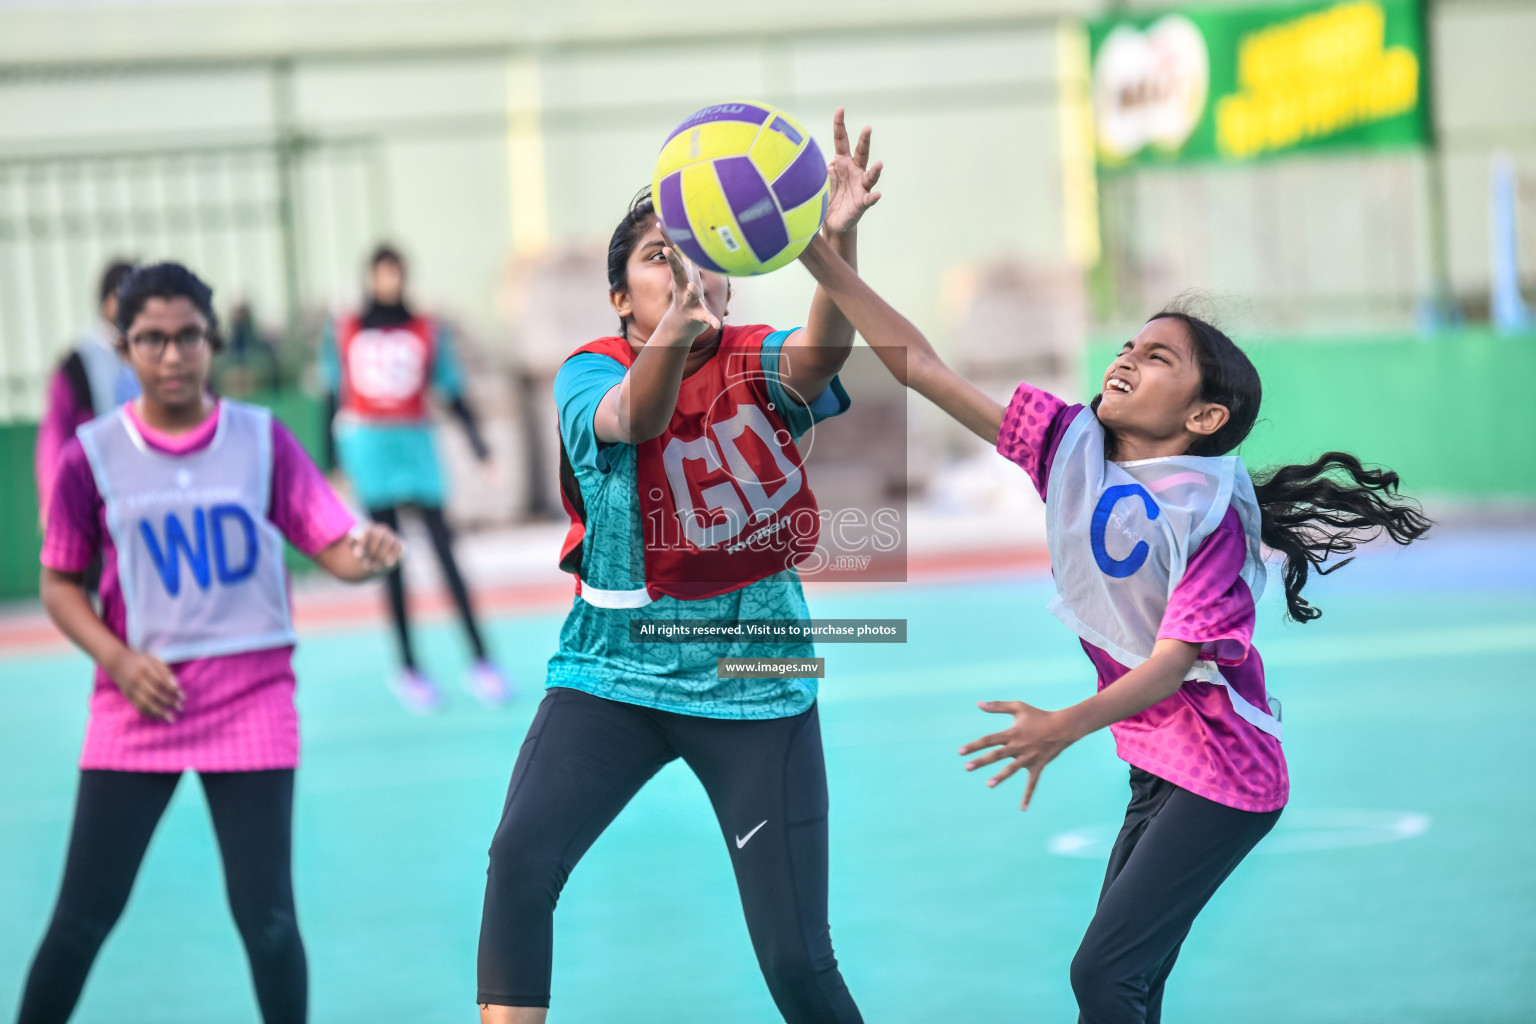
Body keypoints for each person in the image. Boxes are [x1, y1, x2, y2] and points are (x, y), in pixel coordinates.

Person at [793, 237, 1433, 1024]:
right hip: (1158, 760)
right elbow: (922, 367)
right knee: (1129, 983)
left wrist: (1063, 726)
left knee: (1103, 975)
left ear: (1203, 416)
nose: (1126, 359)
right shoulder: (1073, 448)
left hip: (1225, 773)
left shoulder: (1210, 512)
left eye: (1158, 357)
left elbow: (1172, 665)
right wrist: (819, 257)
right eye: (1130, 344)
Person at [476, 108, 883, 1023]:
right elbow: (637, 414)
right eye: (660, 255)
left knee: (796, 961)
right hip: (612, 671)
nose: (685, 267)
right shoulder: (589, 370)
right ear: (622, 298)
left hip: (757, 677)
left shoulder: (754, 357)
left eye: (693, 251)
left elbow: (821, 358)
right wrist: (677, 328)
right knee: (518, 863)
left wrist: (835, 246)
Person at [15, 262, 403, 1024]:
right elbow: (61, 585)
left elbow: (330, 542)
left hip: (252, 701)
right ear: (124, 349)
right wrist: (119, 661)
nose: (171, 355)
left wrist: (369, 555)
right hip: (139, 704)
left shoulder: (261, 441)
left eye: (187, 336)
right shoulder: (89, 458)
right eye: (151, 339)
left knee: (268, 922)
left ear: (212, 341)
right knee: (80, 921)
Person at [318, 244, 510, 712]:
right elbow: (332, 393)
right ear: (370, 277)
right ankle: (408, 666)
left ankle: (481, 660)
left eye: (395, 273)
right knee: (390, 561)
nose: (388, 282)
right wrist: (333, 463)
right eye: (381, 274)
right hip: (371, 451)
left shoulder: (427, 328)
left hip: (417, 448)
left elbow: (451, 388)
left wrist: (478, 445)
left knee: (447, 555)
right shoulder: (345, 329)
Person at [34, 260, 139, 530]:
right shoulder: (79, 362)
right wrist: (52, 498)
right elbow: (55, 433)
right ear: (107, 302)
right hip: (93, 495)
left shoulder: (155, 353)